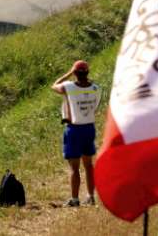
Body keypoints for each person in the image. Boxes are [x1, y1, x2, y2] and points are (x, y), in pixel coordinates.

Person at [50, 60, 100, 207]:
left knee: (74, 167)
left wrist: (68, 73)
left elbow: (54, 85)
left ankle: (75, 199)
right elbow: (95, 107)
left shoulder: (68, 87)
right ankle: (91, 197)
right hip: (89, 128)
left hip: (74, 130)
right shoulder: (96, 89)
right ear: (87, 72)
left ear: (75, 73)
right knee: (89, 165)